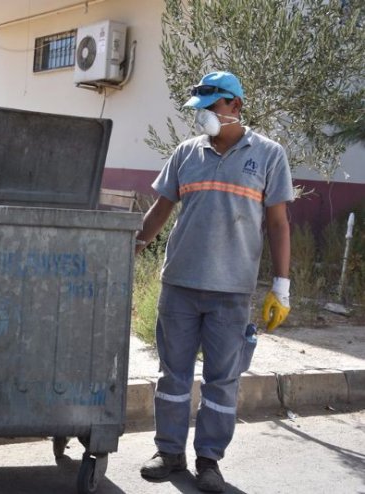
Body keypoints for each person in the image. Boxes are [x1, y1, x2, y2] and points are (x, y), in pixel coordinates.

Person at [135, 71, 293, 493]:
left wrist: (282, 285)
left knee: (222, 382)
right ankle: (169, 452)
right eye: (199, 109)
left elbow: (278, 224)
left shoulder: (270, 154)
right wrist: (136, 243)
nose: (203, 115)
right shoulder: (186, 152)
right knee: (173, 375)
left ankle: (209, 462)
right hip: (180, 285)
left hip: (232, 291)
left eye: (211, 107)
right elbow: (161, 207)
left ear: (235, 106)